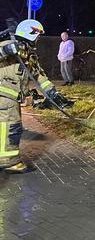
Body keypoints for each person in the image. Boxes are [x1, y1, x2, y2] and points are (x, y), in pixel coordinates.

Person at [0, 19, 62, 173]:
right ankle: (8, 162)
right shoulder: (7, 45)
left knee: (7, 127)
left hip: (11, 98)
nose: (39, 39)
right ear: (30, 33)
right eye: (37, 35)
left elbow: (39, 76)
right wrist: (5, 50)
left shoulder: (28, 54)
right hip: (4, 96)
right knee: (10, 127)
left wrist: (53, 93)